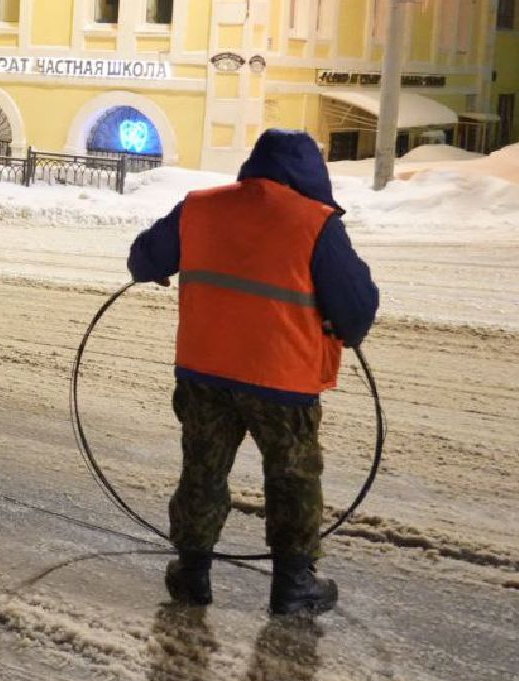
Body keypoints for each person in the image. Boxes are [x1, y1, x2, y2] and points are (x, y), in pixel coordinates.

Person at [126, 129, 378, 615]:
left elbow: (144, 258)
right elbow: (356, 308)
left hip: (204, 371)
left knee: (202, 470)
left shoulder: (201, 208)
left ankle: (191, 575)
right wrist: (344, 328)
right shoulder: (314, 222)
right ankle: (293, 586)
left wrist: (156, 269)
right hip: (282, 379)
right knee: (292, 478)